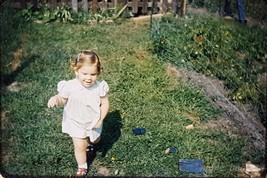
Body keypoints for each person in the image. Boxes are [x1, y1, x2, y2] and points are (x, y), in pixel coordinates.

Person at [47, 50, 110, 177]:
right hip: (75, 121)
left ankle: (92, 144)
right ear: (76, 70)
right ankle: (82, 166)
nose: (88, 78)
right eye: (84, 73)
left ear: (98, 72)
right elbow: (63, 98)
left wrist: (100, 119)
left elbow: (105, 103)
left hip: (93, 121)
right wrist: (56, 99)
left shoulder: (99, 87)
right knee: (80, 146)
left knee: (95, 139)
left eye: (93, 74)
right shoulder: (70, 86)